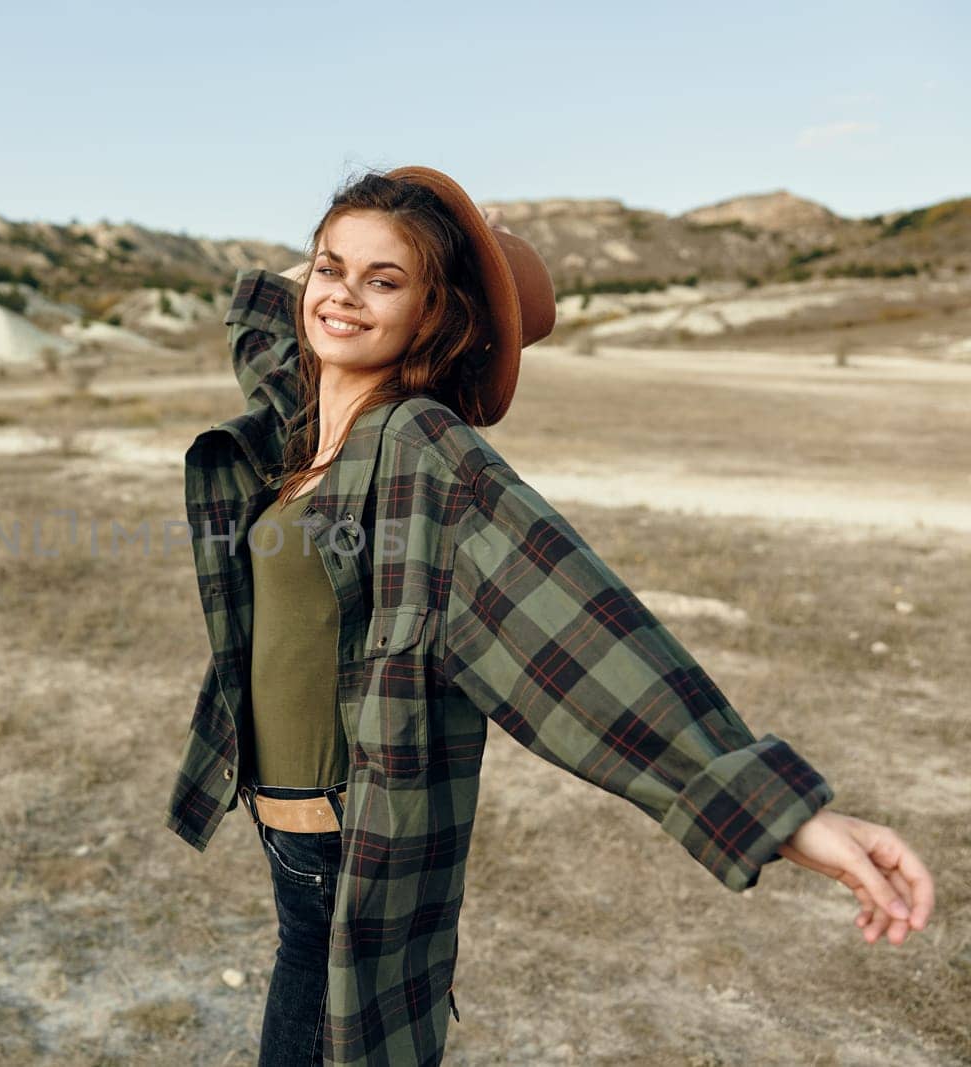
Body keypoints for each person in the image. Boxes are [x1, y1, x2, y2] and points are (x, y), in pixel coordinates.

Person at [162, 166, 936, 1066]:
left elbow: (582, 631)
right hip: (291, 844)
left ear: (433, 316)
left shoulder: (420, 446)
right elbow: (270, 317)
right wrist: (380, 255)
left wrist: (778, 812)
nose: (340, 295)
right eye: (329, 266)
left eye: (386, 280)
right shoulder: (307, 427)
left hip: (347, 842)